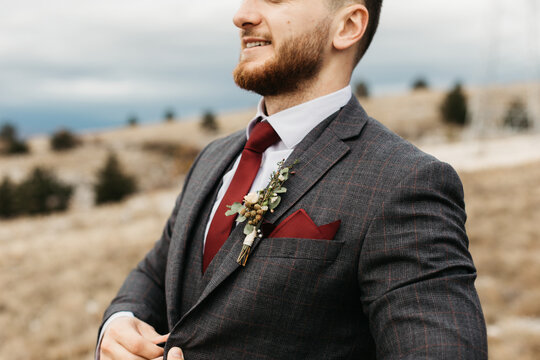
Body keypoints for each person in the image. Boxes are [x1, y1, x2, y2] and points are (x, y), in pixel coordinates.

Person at [98, 0, 488, 359]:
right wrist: (119, 323)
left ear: (348, 26)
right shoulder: (213, 157)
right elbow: (156, 271)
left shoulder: (405, 182)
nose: (242, 15)